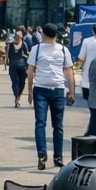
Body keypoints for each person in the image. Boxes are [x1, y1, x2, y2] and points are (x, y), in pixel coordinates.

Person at [29, 24, 74, 170]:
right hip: (57, 90)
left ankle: (43, 155)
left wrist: (29, 91)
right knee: (57, 126)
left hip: (42, 89)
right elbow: (69, 72)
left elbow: (30, 71)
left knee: (40, 124)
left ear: (43, 34)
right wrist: (72, 91)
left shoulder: (36, 49)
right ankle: (57, 157)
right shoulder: (63, 49)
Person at [76, 23, 96, 102]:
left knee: (88, 96)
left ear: (93, 31)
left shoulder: (86, 41)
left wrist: (79, 67)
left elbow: (81, 57)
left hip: (88, 71)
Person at [6, 26, 30, 106]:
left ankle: (17, 96)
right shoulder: (24, 44)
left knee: (15, 82)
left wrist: (5, 64)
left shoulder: (10, 45)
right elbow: (27, 53)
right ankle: (18, 97)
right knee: (22, 82)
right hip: (22, 65)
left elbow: (7, 55)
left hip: (13, 65)